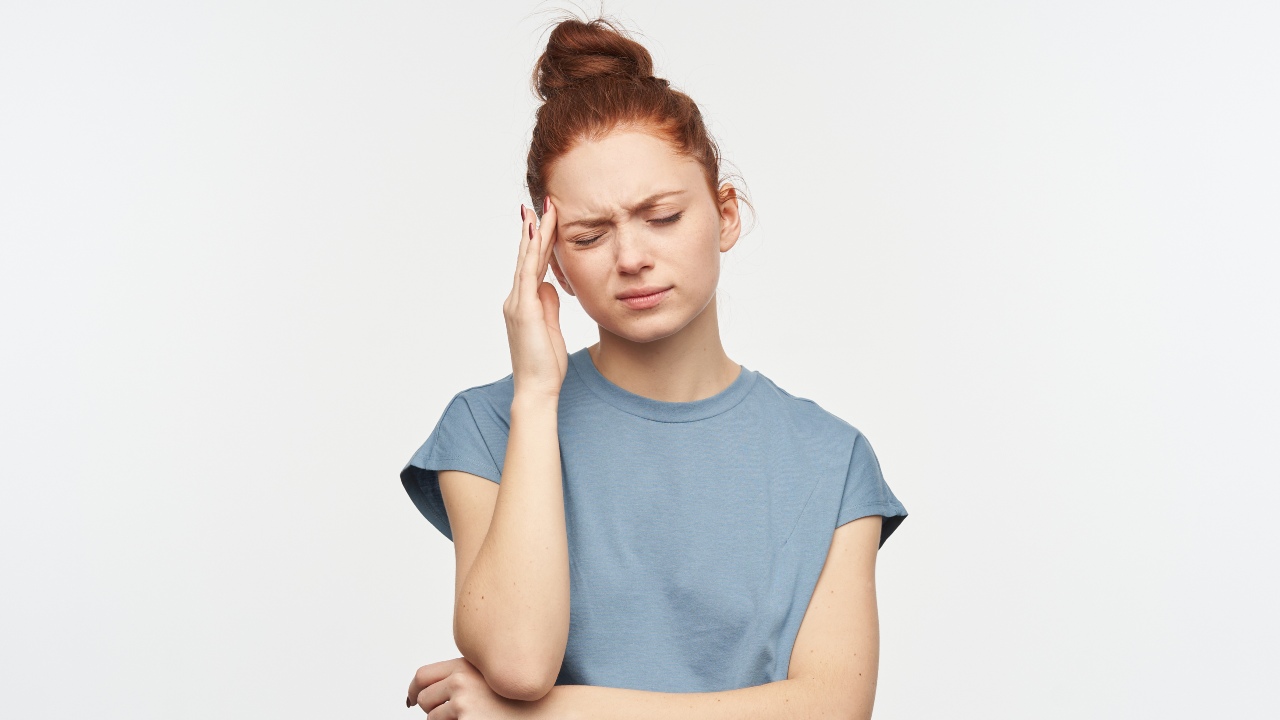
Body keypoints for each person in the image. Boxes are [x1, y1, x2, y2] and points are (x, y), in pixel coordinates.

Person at [399, 14, 908, 719]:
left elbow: (831, 709)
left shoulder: (831, 460)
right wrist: (538, 396)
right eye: (589, 234)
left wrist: (548, 716)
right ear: (553, 261)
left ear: (725, 214)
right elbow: (518, 660)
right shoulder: (487, 427)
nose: (631, 256)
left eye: (661, 216)